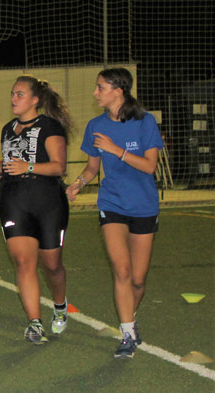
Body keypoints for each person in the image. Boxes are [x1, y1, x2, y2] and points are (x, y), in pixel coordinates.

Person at [0, 75, 73, 345]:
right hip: (14, 201)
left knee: (52, 265)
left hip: (48, 202)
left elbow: (59, 167)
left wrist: (30, 167)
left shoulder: (50, 127)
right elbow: (7, 167)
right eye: (12, 93)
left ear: (35, 100)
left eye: (20, 94)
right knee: (24, 262)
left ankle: (60, 306)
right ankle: (34, 323)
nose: (13, 98)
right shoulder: (7, 129)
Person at [66, 67, 164, 359]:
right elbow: (93, 168)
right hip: (112, 204)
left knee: (137, 279)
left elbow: (149, 166)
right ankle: (127, 334)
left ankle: (129, 320)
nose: (95, 93)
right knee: (121, 270)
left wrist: (116, 150)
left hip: (144, 205)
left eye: (100, 88)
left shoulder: (146, 122)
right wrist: (79, 183)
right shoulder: (96, 126)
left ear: (118, 91)